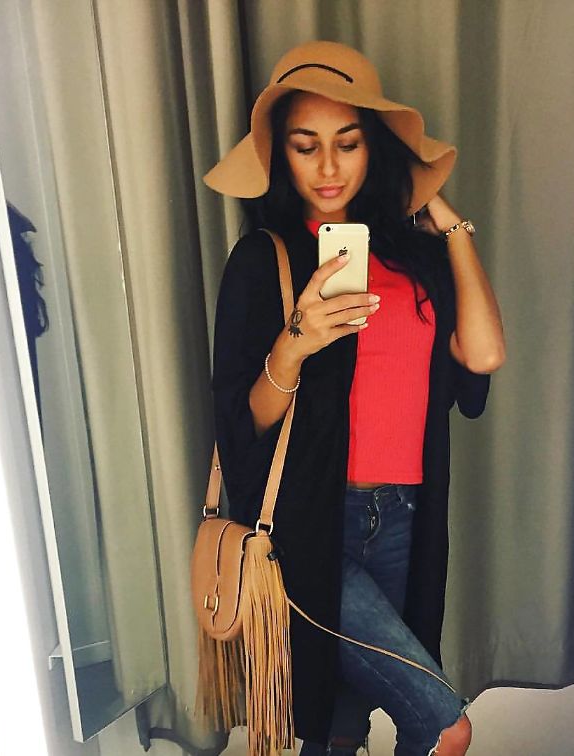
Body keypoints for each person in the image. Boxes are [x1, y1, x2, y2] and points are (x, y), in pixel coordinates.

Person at [205, 41, 505, 755]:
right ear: (281, 155)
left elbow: (483, 355)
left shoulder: (416, 260)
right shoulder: (264, 259)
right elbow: (241, 423)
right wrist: (296, 341)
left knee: (350, 720)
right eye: (306, 146)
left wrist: (447, 221)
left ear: (374, 148)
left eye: (348, 143)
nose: (329, 168)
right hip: (311, 521)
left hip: (404, 514)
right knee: (444, 725)